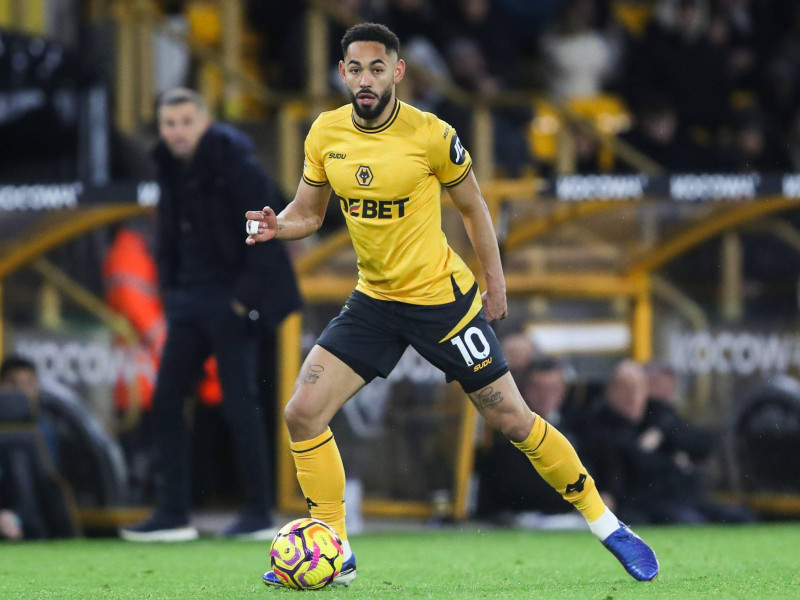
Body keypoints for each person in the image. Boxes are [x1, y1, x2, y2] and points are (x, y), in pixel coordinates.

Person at [246, 23, 658, 586]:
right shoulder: (324, 132)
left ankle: (607, 524)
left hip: (443, 304)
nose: (365, 80)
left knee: (513, 419)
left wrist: (495, 281)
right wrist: (278, 225)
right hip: (374, 303)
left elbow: (473, 207)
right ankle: (333, 546)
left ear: (397, 71)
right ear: (343, 73)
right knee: (301, 412)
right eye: (355, 69)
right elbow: (310, 214)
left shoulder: (431, 134)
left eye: (376, 68)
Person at [119, 88, 302, 542]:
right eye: (168, 123)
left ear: (205, 121)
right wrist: (171, 286)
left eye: (185, 121)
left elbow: (268, 226)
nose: (176, 132)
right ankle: (173, 513)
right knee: (165, 402)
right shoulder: (166, 165)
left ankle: (259, 511)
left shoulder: (238, 163)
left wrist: (241, 300)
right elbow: (171, 229)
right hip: (187, 300)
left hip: (230, 299)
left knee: (241, 403)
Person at [476, 357, 585, 528]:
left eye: (553, 388)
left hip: (570, 521)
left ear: (564, 390)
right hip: (518, 521)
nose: (545, 395)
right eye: (538, 388)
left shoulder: (579, 427)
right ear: (524, 389)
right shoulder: (503, 432)